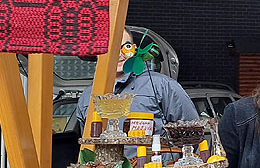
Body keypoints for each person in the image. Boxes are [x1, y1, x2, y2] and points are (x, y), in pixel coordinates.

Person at [76, 28, 198, 158]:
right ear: (97, 53)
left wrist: (167, 163)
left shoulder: (162, 86)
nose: (118, 54)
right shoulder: (88, 96)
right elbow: (88, 147)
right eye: (109, 49)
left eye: (125, 47)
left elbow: (192, 134)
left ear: (134, 49)